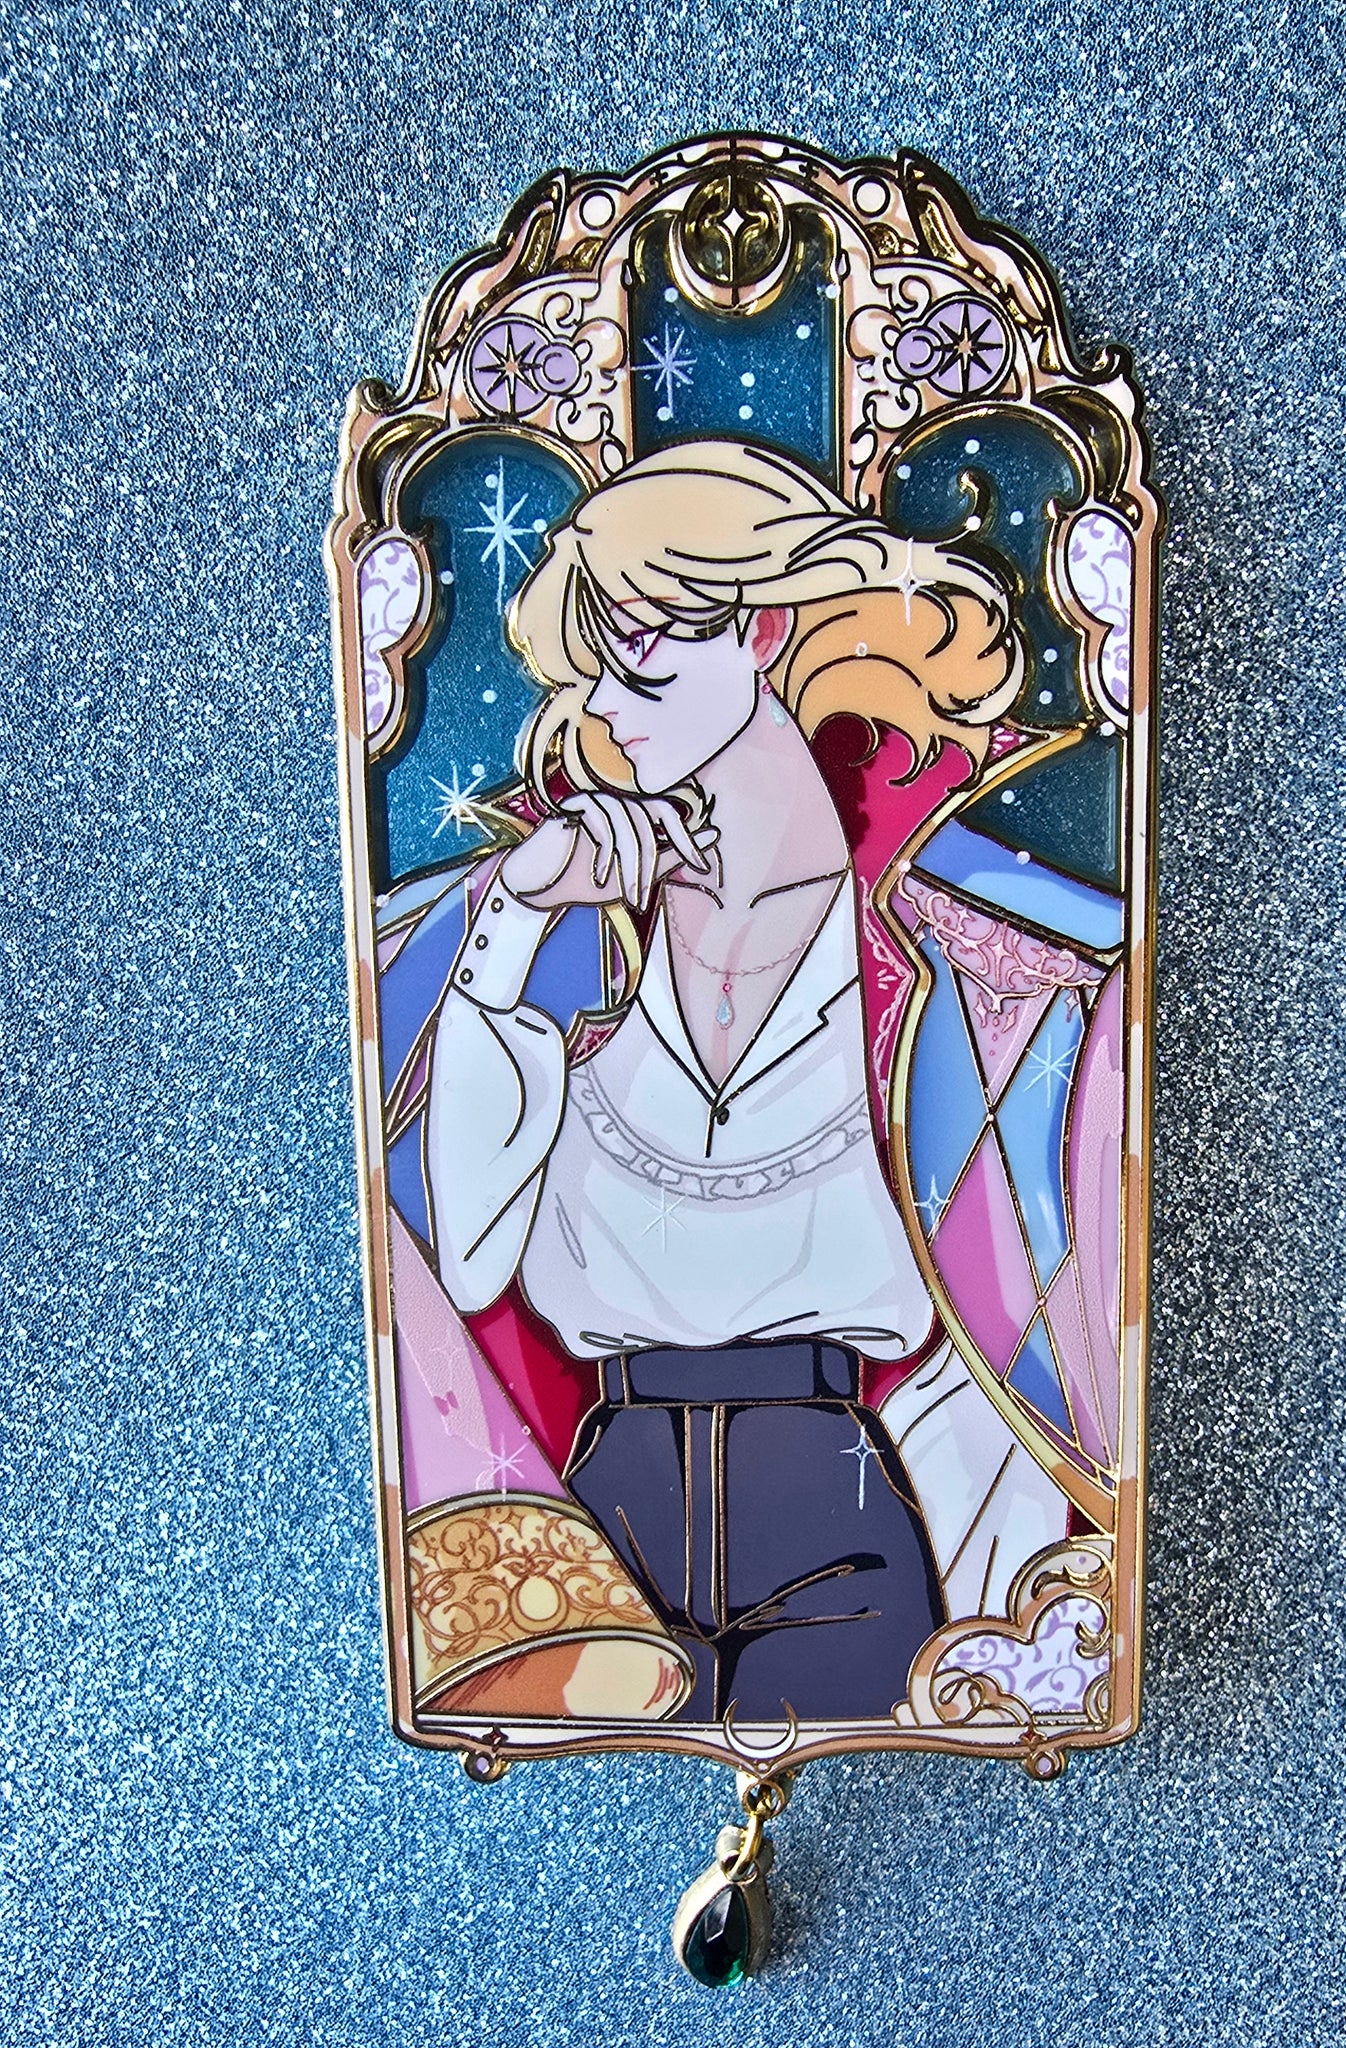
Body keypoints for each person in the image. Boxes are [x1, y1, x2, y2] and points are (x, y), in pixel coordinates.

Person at [425, 438, 1023, 1723]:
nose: (606, 703)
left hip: (837, 1513)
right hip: (611, 1516)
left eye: (639, 651)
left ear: (757, 630)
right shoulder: (582, 933)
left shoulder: (924, 950)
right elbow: (467, 1259)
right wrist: (514, 919)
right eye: (593, 665)